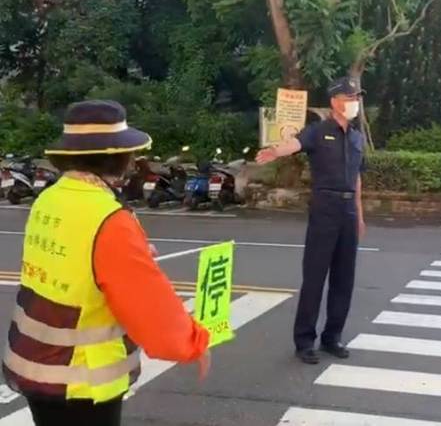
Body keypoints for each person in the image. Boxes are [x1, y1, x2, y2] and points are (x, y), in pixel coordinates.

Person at [3, 100, 210, 426]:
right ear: (119, 156)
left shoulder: (51, 196)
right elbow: (151, 308)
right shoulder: (108, 216)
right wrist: (194, 343)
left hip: (34, 363)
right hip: (82, 378)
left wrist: (125, 252)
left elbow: (73, 260)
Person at [256, 76, 366, 365]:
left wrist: (360, 215)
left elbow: (357, 177)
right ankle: (305, 340)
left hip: (348, 212)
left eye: (356, 97)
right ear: (335, 102)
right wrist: (275, 151)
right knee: (315, 276)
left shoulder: (357, 136)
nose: (355, 102)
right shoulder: (318, 131)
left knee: (344, 279)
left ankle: (333, 337)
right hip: (324, 208)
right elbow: (295, 144)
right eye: (349, 97)